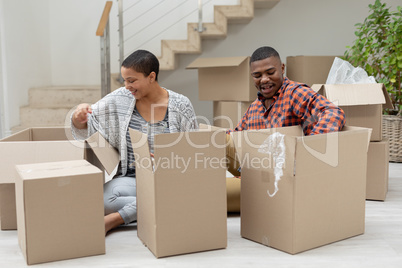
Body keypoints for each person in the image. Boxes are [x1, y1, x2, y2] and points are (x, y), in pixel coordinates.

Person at [71, 49, 198, 234]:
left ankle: (115, 219)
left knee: (183, 194)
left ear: (151, 76)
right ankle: (164, 207)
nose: (127, 86)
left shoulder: (181, 105)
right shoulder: (120, 98)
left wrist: (170, 160)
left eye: (132, 80)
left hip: (171, 180)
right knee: (104, 199)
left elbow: (193, 149)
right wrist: (79, 116)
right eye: (124, 80)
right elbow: (89, 124)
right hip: (132, 179)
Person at [230, 46, 345, 134]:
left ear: (282, 68)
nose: (264, 80)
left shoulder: (295, 94)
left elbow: (333, 113)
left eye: (270, 73)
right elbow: (236, 136)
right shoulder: (254, 108)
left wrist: (311, 146)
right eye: (257, 76)